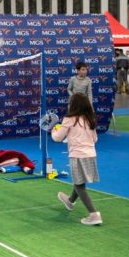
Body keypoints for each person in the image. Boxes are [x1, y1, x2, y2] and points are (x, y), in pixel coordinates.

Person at [52, 93, 102, 226]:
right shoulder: (89, 118)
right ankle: (70, 201)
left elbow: (57, 138)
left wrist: (53, 130)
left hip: (77, 155)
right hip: (91, 154)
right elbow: (95, 139)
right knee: (79, 181)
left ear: (74, 105)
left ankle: (94, 214)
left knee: (79, 185)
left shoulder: (69, 119)